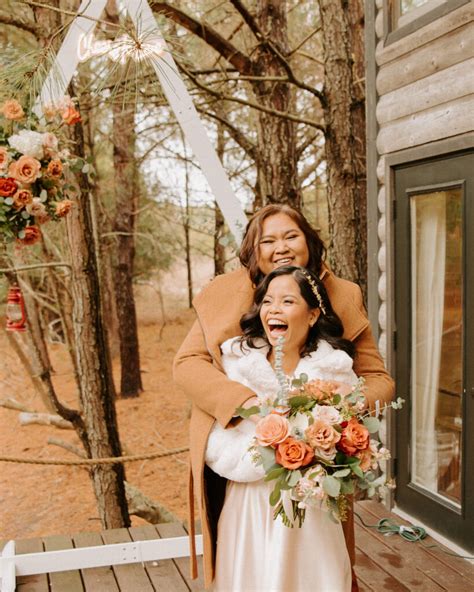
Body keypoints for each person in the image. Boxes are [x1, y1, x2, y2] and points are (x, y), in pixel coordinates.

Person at [173, 204, 395, 590]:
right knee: (247, 561)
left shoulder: (342, 295)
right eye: (268, 240)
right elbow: (187, 363)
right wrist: (248, 407)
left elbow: (377, 378)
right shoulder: (222, 293)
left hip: (315, 462)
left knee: (316, 564)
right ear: (253, 249)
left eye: (291, 236)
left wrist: (334, 409)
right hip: (240, 448)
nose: (281, 247)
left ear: (308, 241)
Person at [207, 265, 356, 591]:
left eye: (287, 301)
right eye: (268, 301)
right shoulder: (237, 365)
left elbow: (348, 444)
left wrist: (317, 448)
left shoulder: (335, 371)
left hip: (309, 509)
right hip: (250, 502)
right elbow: (216, 441)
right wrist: (264, 451)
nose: (274, 309)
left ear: (313, 315)